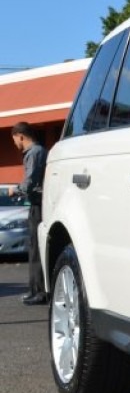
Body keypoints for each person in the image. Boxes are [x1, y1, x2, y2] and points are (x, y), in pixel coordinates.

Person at [11, 122, 47, 305]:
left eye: (15, 139)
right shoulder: (37, 151)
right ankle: (35, 290)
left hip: (39, 205)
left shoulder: (34, 153)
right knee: (34, 248)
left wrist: (16, 190)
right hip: (36, 204)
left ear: (21, 136)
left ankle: (38, 292)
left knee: (36, 250)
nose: (15, 143)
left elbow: (31, 180)